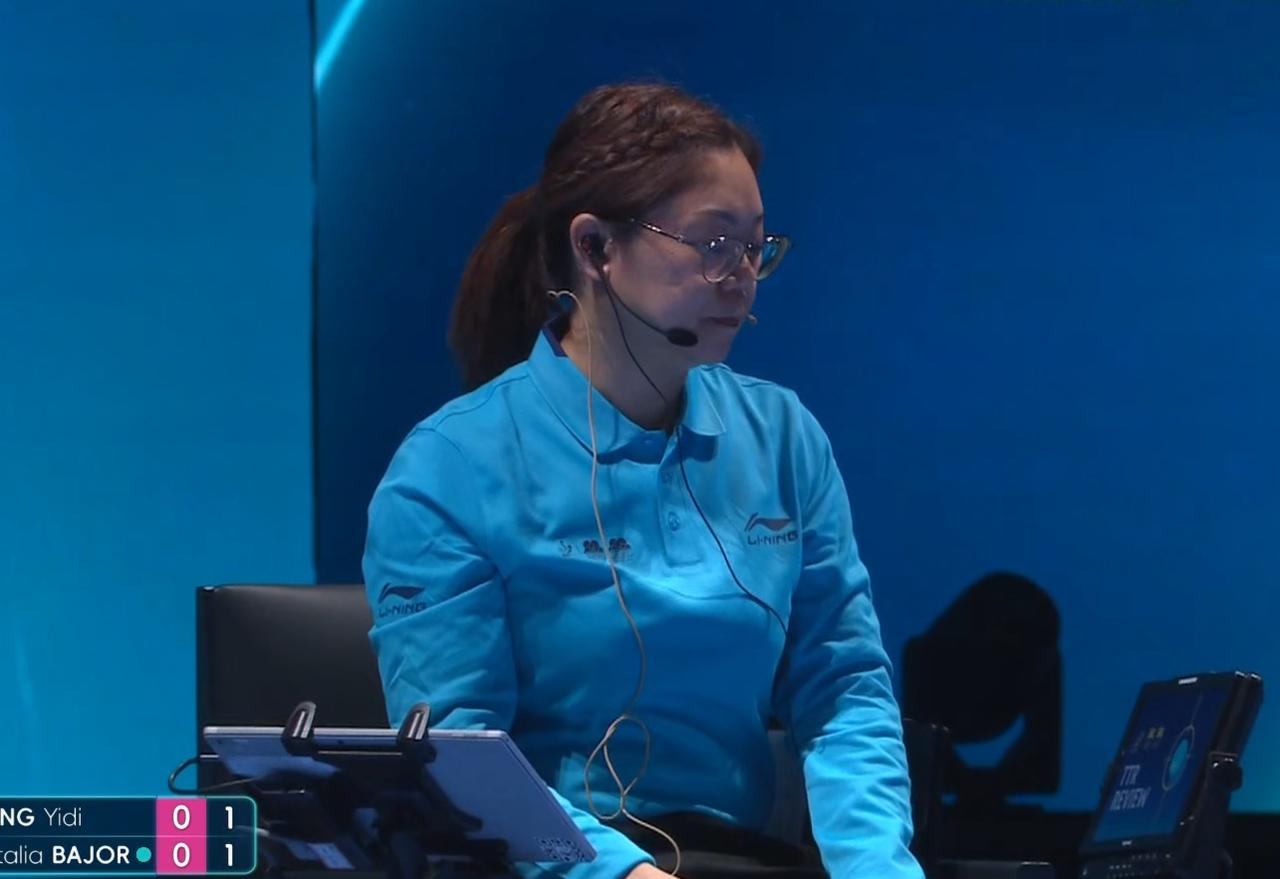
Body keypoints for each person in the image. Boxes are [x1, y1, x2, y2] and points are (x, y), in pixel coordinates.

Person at [363, 82, 923, 879]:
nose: (743, 275)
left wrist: (878, 869)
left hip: (739, 859)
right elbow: (462, 755)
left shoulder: (782, 437)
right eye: (714, 243)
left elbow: (843, 689)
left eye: (756, 246)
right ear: (595, 248)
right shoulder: (449, 466)